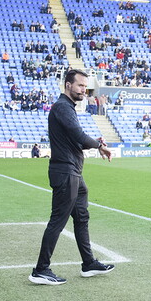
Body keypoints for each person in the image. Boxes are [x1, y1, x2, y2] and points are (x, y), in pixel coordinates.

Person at [30, 69, 114, 285]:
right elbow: (78, 135)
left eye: (85, 87)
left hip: (73, 172)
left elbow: (74, 140)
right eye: (79, 86)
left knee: (82, 217)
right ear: (68, 85)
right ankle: (40, 269)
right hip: (65, 172)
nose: (83, 90)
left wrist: (90, 142)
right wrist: (99, 146)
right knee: (58, 220)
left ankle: (88, 263)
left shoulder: (67, 108)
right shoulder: (62, 107)